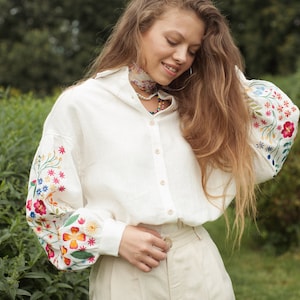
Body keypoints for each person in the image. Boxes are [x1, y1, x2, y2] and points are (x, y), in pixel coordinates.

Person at [26, 0, 299, 299]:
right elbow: (46, 211)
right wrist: (114, 237)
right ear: (139, 29)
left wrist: (215, 69)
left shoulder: (197, 106)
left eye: (194, 50)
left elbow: (279, 120)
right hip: (126, 275)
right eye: (172, 41)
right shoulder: (80, 105)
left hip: (200, 270)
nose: (182, 57)